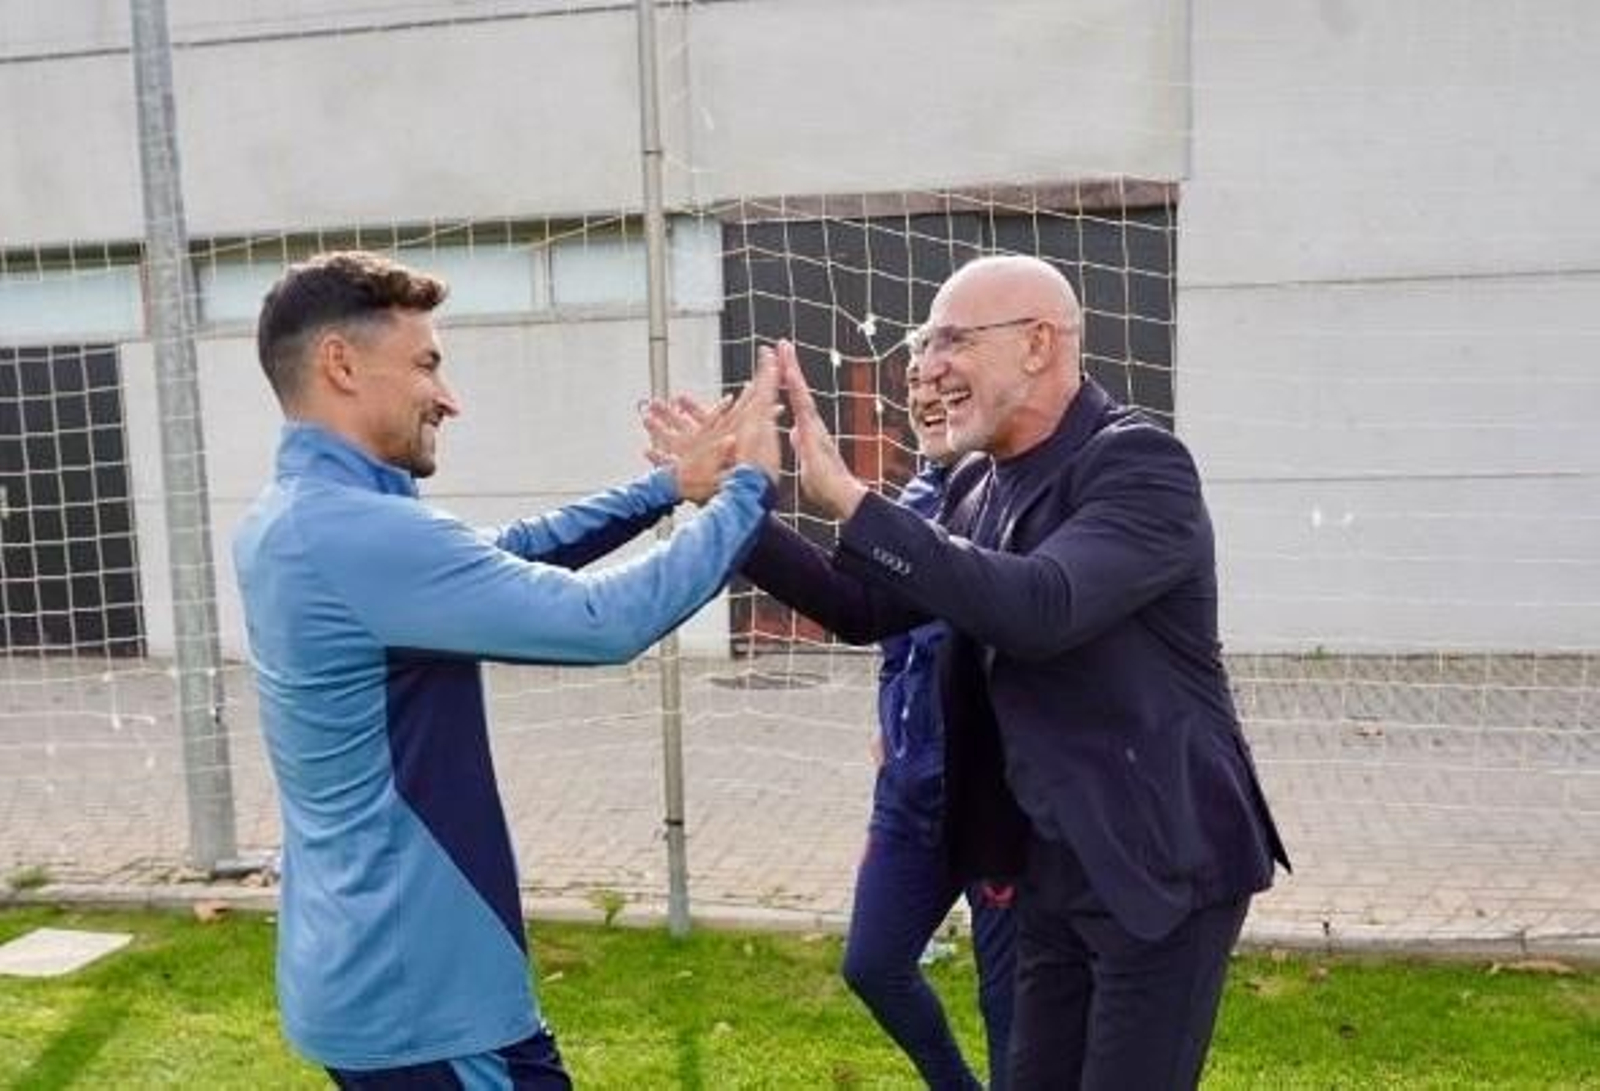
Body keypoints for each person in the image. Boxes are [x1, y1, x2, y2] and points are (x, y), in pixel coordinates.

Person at [233, 250, 780, 1088]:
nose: (448, 397)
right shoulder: (354, 533)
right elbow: (603, 622)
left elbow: (501, 557)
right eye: (426, 363)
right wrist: (749, 490)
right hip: (424, 995)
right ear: (340, 364)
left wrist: (668, 487)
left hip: (365, 970)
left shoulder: (296, 518)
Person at [760, 255, 1290, 1089]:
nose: (927, 367)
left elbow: (1040, 607)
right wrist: (739, 510)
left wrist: (855, 501)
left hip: (1158, 863)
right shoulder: (975, 480)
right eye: (924, 344)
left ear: (1038, 344)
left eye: (953, 341)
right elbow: (861, 607)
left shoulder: (1140, 466)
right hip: (1045, 862)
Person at [735, 359, 1018, 1089]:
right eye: (917, 380)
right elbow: (857, 609)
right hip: (912, 792)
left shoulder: (1019, 496)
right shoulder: (917, 494)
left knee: (1012, 1007)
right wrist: (733, 507)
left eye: (947, 380)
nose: (926, 392)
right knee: (874, 963)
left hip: (998, 798)